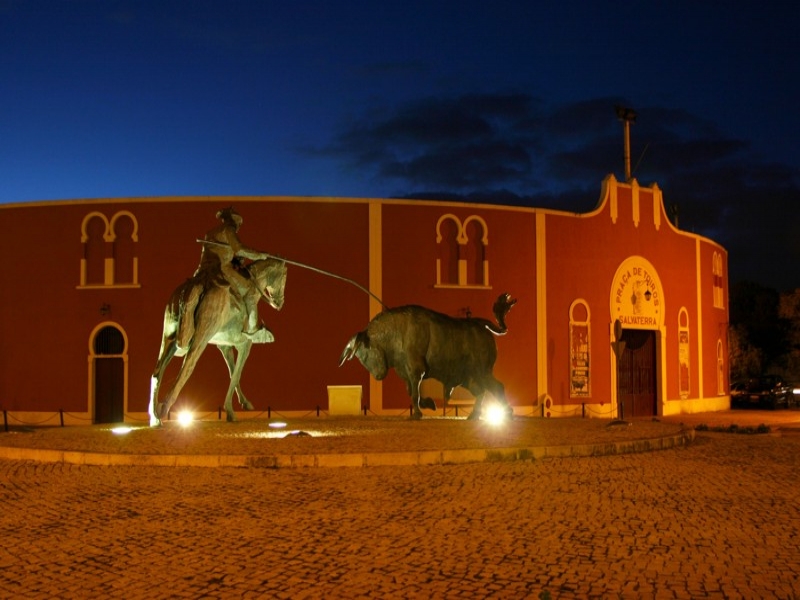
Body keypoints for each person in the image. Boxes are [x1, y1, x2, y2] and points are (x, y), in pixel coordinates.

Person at [195, 206, 271, 341]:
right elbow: (239, 248)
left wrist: (235, 259)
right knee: (250, 289)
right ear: (231, 220)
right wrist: (259, 255)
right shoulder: (228, 229)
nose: (238, 225)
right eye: (237, 221)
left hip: (203, 269)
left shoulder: (210, 233)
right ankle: (252, 329)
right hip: (222, 269)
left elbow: (218, 251)